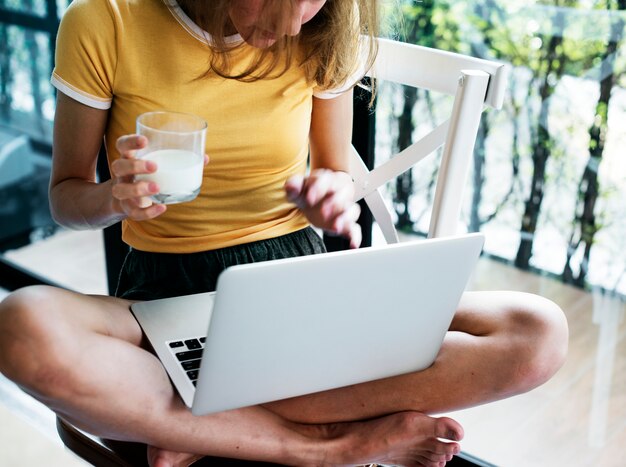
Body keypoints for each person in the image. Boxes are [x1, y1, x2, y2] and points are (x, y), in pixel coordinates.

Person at [0, 0, 569, 466]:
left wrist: (334, 195)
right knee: (21, 328)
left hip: (295, 286)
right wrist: (112, 197)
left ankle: (199, 424)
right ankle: (322, 444)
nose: (292, 24)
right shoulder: (106, 19)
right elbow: (66, 197)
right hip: (168, 291)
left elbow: (334, 171)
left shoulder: (324, 24)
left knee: (537, 333)